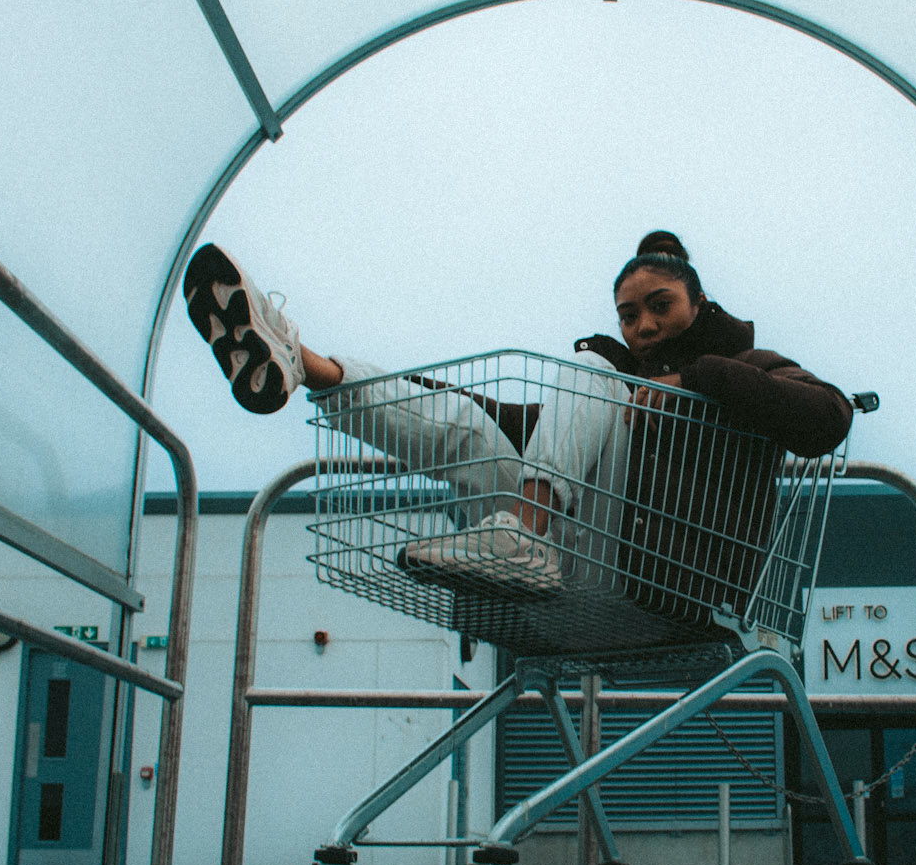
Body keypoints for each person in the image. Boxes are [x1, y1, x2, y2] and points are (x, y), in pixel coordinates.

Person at [182, 233, 852, 600]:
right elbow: (495, 415)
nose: (643, 325)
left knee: (593, 367)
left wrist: (699, 379)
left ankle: (521, 536)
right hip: (583, 561)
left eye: (660, 305)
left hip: (680, 580)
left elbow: (829, 416)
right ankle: (303, 362)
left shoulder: (749, 365)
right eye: (628, 314)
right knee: (471, 426)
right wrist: (358, 375)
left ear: (698, 304)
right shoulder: (602, 397)